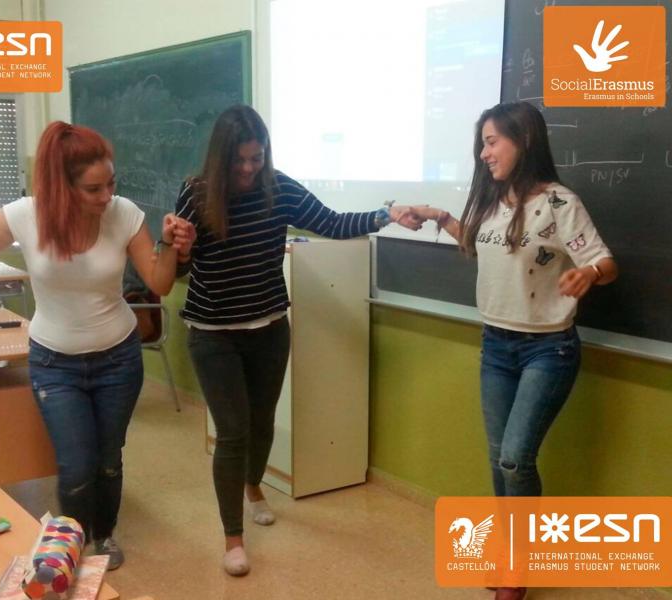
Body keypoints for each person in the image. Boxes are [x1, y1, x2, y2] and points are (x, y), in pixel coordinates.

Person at [0, 121, 195, 570]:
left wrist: (172, 245)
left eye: (111, 183)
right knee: (76, 465)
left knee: (108, 460)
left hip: (118, 359)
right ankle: (70, 545)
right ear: (61, 186)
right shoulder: (24, 215)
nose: (107, 196)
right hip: (55, 364)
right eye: (93, 188)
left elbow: (159, 282)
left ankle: (103, 535)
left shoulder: (124, 214)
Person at [174, 104, 423, 576]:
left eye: (257, 158)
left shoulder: (279, 188)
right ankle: (233, 537)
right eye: (239, 160)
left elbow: (331, 222)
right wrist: (179, 248)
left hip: (270, 328)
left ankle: (253, 486)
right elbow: (179, 269)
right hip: (213, 334)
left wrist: (386, 214)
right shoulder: (197, 193)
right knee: (233, 432)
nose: (249, 169)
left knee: (262, 422)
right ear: (221, 157)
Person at [409, 101, 617, 600]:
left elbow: (606, 262)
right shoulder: (490, 199)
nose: (484, 154)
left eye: (492, 142)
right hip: (496, 344)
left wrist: (588, 274)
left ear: (523, 141)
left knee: (515, 459)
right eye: (481, 144)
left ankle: (517, 563)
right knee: (497, 457)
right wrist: (441, 216)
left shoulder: (559, 202)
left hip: (548, 349)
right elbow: (479, 246)